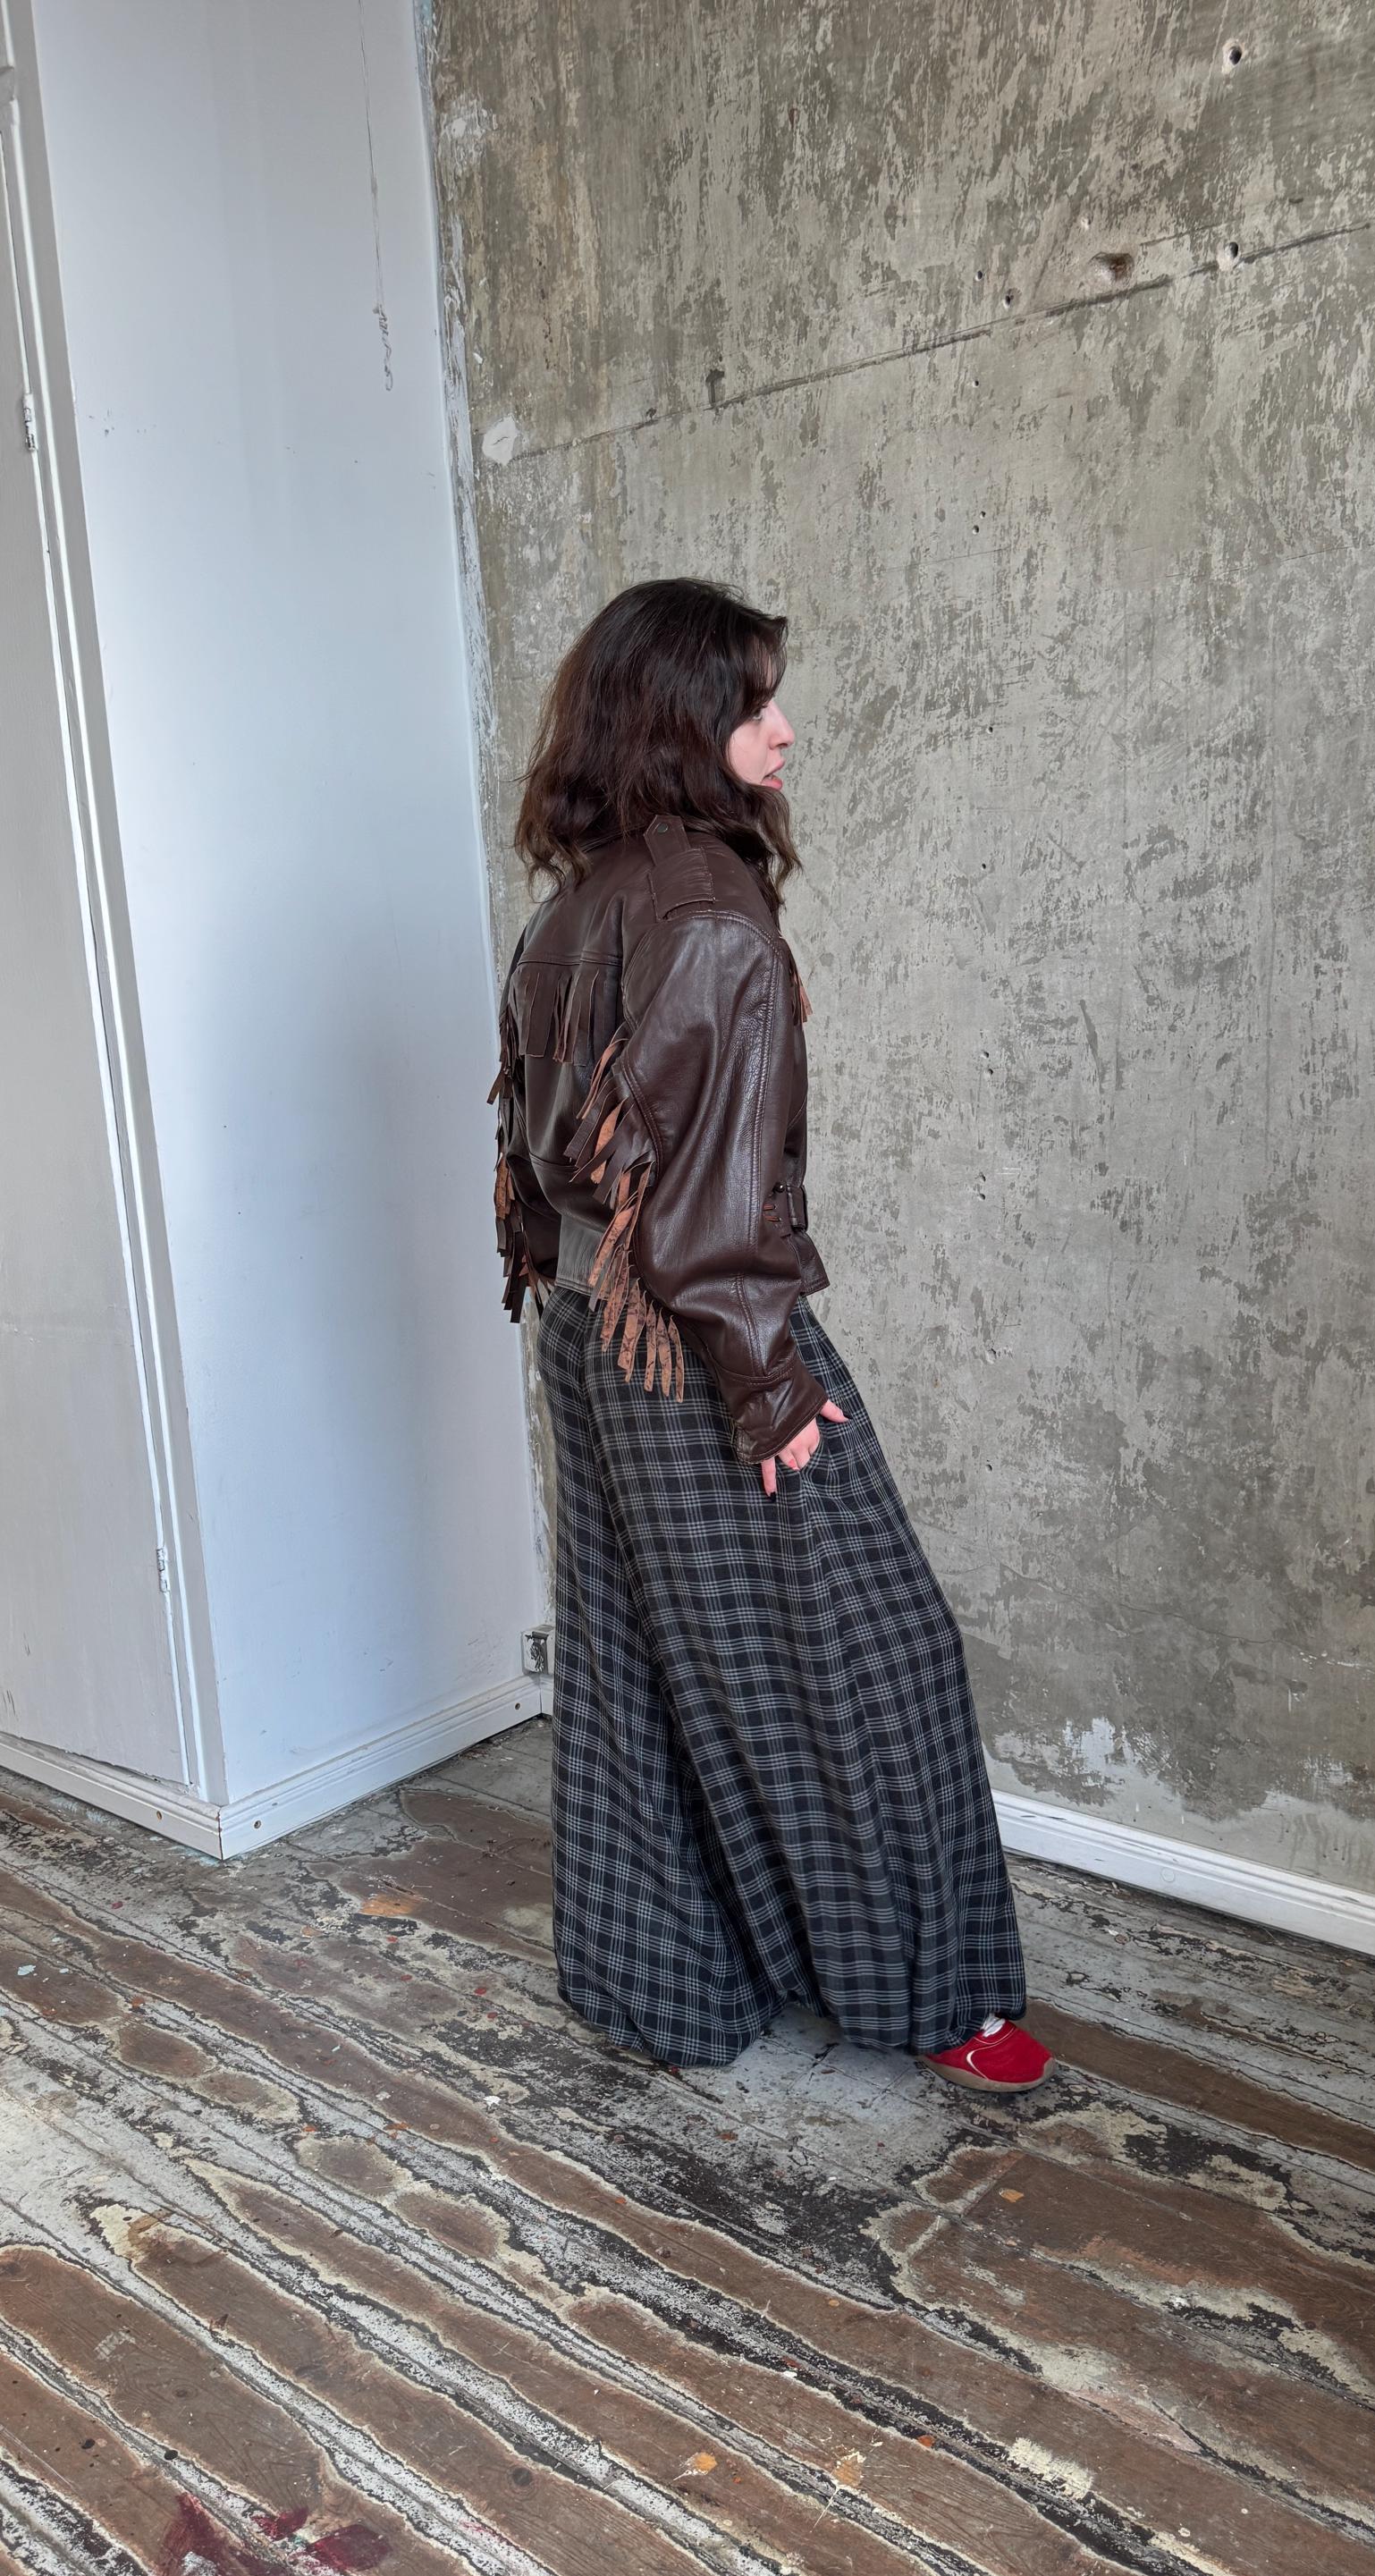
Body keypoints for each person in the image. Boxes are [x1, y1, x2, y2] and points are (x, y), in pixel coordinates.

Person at [488, 577, 1051, 2092]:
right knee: (874, 1655)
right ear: (682, 720)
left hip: (585, 1334)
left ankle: (667, 1984)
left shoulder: (574, 910)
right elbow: (704, 1196)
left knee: (641, 1659)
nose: (782, 726)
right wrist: (768, 1388)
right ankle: (935, 1995)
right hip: (692, 1340)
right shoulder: (708, 912)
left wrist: (588, 1313)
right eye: (751, 702)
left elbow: (543, 1173)